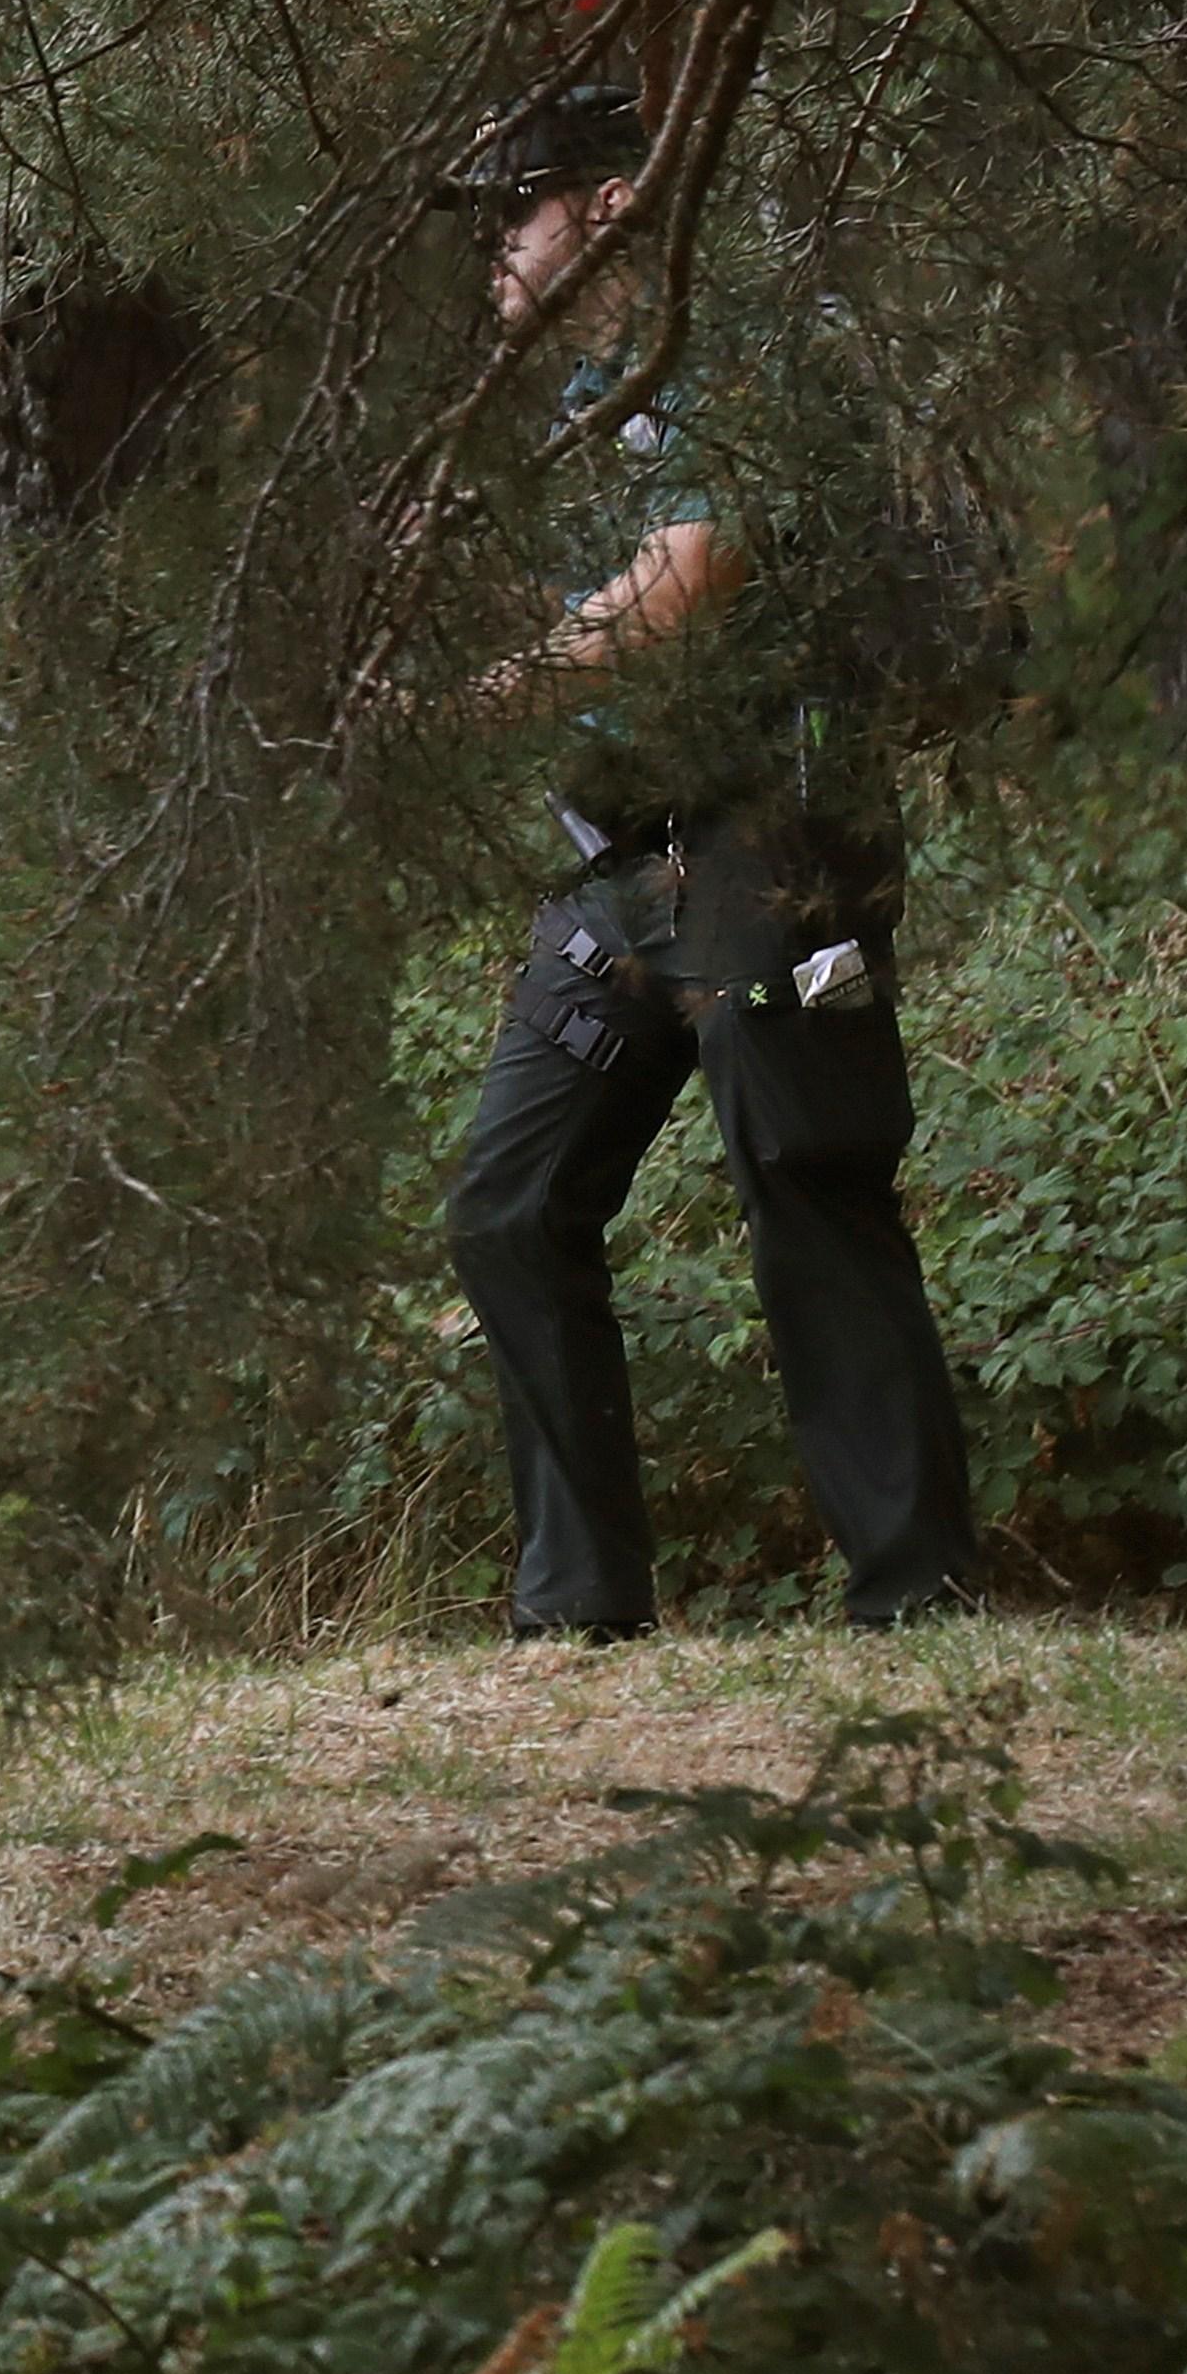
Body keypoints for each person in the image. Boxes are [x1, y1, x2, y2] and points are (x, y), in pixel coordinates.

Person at [437, 84, 980, 1640]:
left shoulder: (742, 349)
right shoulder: (583, 397)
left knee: (806, 1183)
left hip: (774, 844)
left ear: (610, 203)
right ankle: (578, 1608)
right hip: (624, 860)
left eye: (516, 208)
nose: (491, 245)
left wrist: (470, 704)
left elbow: (685, 584)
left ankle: (916, 1597)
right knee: (509, 1203)